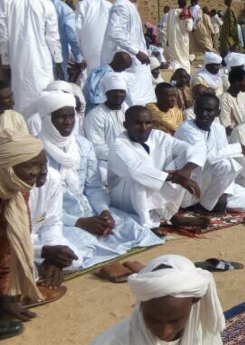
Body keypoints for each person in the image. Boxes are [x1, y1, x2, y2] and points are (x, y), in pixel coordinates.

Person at [33, 91, 162, 270]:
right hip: (58, 220)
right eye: (61, 117)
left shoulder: (82, 145)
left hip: (91, 210)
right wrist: (79, 222)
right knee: (75, 253)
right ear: (47, 119)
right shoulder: (36, 153)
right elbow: (38, 208)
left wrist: (104, 211)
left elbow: (93, 187)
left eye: (71, 116)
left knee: (135, 230)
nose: (68, 122)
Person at [83, 254, 230, 345]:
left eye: (174, 320)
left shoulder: (202, 331)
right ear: (141, 305)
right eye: (153, 319)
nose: (164, 331)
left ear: (195, 300)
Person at [107, 106, 206, 233]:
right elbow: (136, 171)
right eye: (137, 123)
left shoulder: (159, 136)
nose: (143, 128)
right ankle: (147, 224)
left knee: (185, 161)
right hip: (126, 199)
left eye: (147, 123)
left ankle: (171, 215)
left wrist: (186, 171)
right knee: (140, 179)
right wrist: (176, 178)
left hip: (154, 187)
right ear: (126, 125)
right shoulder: (118, 145)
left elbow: (193, 150)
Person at [174, 93, 245, 213]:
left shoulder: (219, 129)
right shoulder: (187, 128)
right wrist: (237, 148)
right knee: (224, 164)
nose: (204, 114)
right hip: (191, 185)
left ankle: (212, 202)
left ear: (218, 113)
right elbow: (206, 156)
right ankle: (205, 206)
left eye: (209, 110)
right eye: (200, 109)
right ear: (194, 109)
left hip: (215, 185)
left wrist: (224, 193)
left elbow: (226, 159)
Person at [0, 130, 48, 337]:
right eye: (30, 164)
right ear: (7, 166)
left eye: (41, 164)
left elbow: (8, 249)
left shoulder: (18, 191)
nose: (37, 172)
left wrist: (6, 296)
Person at [0, 0, 62, 113]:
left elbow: (3, 36)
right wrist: (58, 61)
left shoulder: (6, 2)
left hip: (18, 60)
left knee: (20, 97)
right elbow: (52, 37)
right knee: (43, 97)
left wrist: (5, 61)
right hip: (42, 61)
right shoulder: (47, 4)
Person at [99, 0, 155, 107]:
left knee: (142, 98)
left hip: (136, 64)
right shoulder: (122, 6)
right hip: (127, 63)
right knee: (130, 100)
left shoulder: (129, 6)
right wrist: (137, 52)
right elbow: (115, 32)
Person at [84, 73, 127, 182]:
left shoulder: (127, 110)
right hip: (105, 163)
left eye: (121, 91)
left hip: (129, 159)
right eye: (114, 91)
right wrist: (123, 155)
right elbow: (96, 147)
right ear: (106, 93)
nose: (118, 95)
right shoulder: (96, 115)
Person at [75, 0, 112, 72]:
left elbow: (76, 29)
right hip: (106, 52)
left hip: (86, 51)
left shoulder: (83, 5)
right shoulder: (112, 7)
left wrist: (78, 54)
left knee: (88, 79)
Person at [164, 0, 194, 73]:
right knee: (183, 57)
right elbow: (189, 28)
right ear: (186, 3)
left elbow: (167, 27)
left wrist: (167, 38)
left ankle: (176, 71)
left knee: (175, 58)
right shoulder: (187, 13)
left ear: (178, 3)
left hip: (172, 39)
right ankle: (185, 72)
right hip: (183, 40)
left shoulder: (171, 12)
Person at [218, 68, 245, 133]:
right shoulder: (224, 99)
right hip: (233, 135)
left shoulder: (243, 95)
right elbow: (226, 126)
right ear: (237, 82)